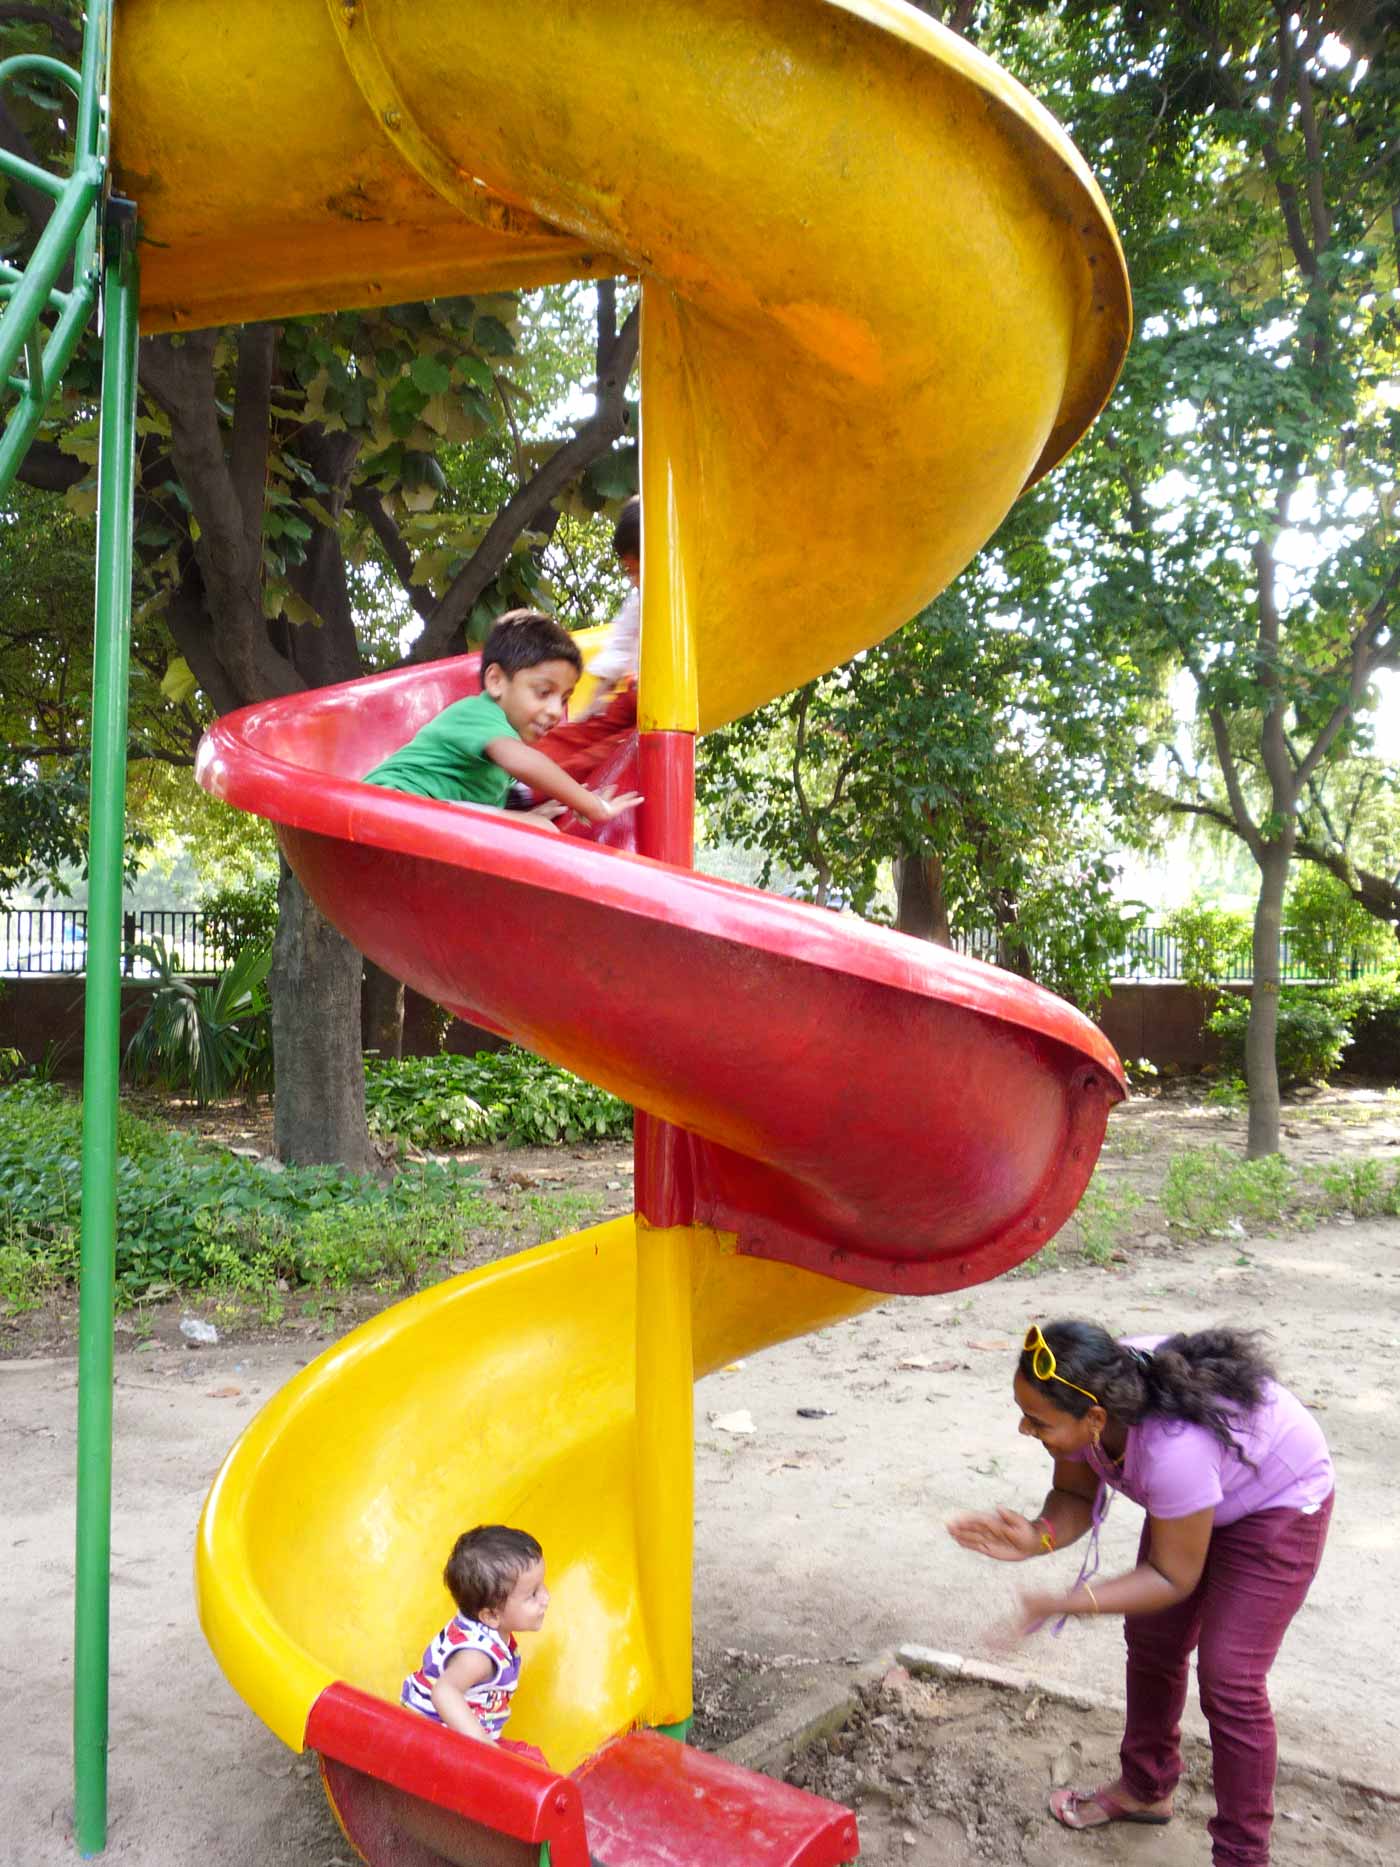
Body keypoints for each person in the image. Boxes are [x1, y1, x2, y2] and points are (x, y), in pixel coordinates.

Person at [947, 1320, 1333, 1867]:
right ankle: (1146, 1788)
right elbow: (1072, 1493)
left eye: (1037, 1421)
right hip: (1198, 1498)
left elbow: (1174, 1578)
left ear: (1097, 1419)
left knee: (1230, 1678)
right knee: (1153, 1638)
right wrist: (1037, 1537)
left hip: (1279, 1503)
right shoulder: (1090, 1394)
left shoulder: (1174, 1450)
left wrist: (1067, 1602)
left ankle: (1243, 1857)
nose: (1023, 1428)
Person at [363, 610, 642, 829]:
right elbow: (526, 763)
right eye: (544, 692)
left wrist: (519, 815)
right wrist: (591, 805)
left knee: (535, 825)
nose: (557, 711)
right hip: (389, 805)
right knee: (540, 830)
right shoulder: (479, 714)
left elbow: (473, 808)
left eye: (565, 698)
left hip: (417, 813)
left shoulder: (500, 753)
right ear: (496, 681)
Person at [402, 1523, 550, 1748]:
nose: (546, 1598)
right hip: (433, 1743)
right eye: (533, 1594)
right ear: (490, 1615)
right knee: (529, 1765)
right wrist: (485, 1750)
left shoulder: (484, 1625)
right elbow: (444, 1692)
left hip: (452, 1736)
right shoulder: (477, 1657)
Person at [528, 495, 641, 788]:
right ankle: (524, 772)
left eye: (639, 570)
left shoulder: (681, 599)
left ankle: (536, 789)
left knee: (615, 749)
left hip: (656, 707)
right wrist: (598, 696)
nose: (635, 581)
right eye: (630, 572)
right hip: (633, 695)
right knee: (580, 731)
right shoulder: (640, 601)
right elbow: (620, 642)